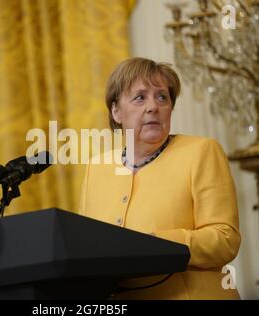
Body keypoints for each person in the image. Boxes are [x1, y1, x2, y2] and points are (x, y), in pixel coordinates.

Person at [79, 57, 241, 299]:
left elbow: (225, 239)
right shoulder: (96, 168)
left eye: (162, 97)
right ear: (116, 111)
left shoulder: (201, 151)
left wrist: (157, 246)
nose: (153, 106)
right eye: (140, 97)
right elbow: (85, 247)